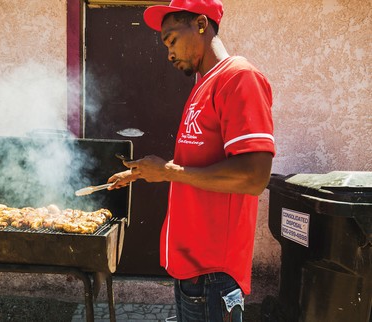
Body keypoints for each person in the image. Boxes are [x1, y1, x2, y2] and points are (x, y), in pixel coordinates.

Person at [108, 0, 275, 321]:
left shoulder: (239, 78)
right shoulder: (203, 85)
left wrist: (169, 172)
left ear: (201, 24)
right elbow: (197, 164)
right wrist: (147, 171)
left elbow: (254, 177)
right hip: (192, 272)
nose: (168, 52)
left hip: (214, 275)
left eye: (171, 39)